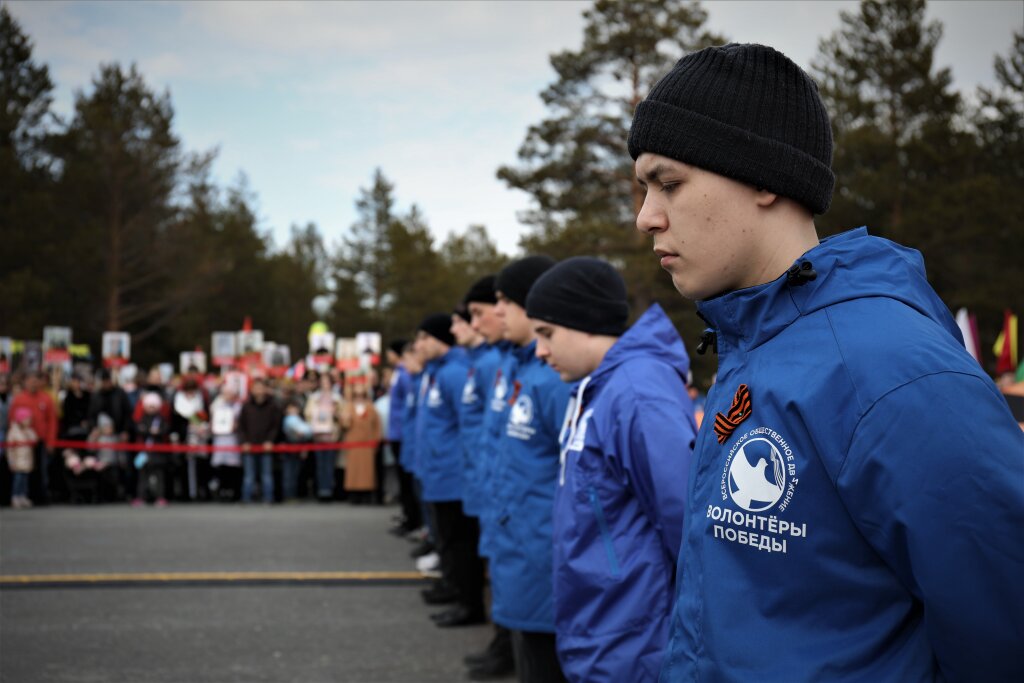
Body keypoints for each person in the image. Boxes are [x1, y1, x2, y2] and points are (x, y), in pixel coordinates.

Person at [628, 42, 1024, 681]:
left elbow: (1003, 628)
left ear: (764, 178)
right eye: (644, 188)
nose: (646, 217)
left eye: (668, 183)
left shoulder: (891, 371)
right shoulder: (753, 344)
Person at [526, 257, 696, 681]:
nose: (539, 351)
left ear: (584, 320)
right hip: (604, 625)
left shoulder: (637, 393)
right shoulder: (601, 388)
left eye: (546, 333)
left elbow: (688, 528)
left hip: (635, 638)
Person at [489, 256, 572, 682]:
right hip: (520, 548)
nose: (497, 311)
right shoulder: (523, 369)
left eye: (505, 300)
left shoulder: (555, 379)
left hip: (544, 558)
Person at [458, 275, 517, 681]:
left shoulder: (506, 365)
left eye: (481, 312)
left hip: (517, 504)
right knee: (500, 573)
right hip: (494, 489)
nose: (475, 324)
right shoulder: (501, 363)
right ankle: (503, 643)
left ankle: (507, 647)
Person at [414, 313, 478, 627]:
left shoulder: (454, 373)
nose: (418, 345)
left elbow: (467, 426)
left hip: (452, 475)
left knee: (459, 541)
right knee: (446, 538)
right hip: (438, 472)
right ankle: (453, 587)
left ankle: (468, 602)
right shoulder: (437, 372)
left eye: (424, 338)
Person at [8, 371, 57, 505]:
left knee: (41, 469)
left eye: (35, 381)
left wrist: (51, 441)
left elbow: (52, 421)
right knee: (22, 470)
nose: (33, 384)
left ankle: (40, 496)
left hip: (41, 440)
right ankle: (21, 494)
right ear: (25, 382)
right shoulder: (19, 399)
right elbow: (12, 420)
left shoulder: (46, 399)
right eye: (30, 381)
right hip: (23, 442)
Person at [238, 376, 282, 505]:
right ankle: (246, 498)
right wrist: (244, 442)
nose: (258, 390)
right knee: (249, 475)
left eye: (261, 387)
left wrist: (270, 441)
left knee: (266, 475)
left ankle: (268, 498)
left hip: (266, 446)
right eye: (256, 387)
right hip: (249, 446)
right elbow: (241, 426)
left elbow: (275, 426)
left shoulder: (273, 406)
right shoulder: (246, 406)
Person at [341, 375, 380, 503]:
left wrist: (375, 440)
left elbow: (377, 425)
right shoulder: (349, 407)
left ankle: (366, 494)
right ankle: (354, 494)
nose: (359, 397)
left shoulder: (371, 408)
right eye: (356, 395)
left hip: (367, 443)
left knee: (366, 471)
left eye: (361, 395)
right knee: (353, 470)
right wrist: (345, 418)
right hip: (353, 443)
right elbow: (344, 425)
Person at [305, 372, 343, 501]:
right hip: (318, 434)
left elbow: (341, 417)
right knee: (320, 464)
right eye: (322, 381)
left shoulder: (337, 398)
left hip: (331, 435)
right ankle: (321, 490)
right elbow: (308, 414)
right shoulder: (314, 397)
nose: (324, 384)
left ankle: (329, 490)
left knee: (330, 464)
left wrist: (335, 412)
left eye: (327, 381)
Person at [133, 392, 170, 507]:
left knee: (159, 476)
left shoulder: (161, 419)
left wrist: (153, 432)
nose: (151, 408)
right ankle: (141, 497)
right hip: (144, 452)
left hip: (158, 452)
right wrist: (151, 431)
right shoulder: (142, 418)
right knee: (142, 476)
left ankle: (160, 497)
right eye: (149, 406)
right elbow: (139, 430)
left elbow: (165, 430)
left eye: (153, 406)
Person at [6, 407, 37, 508]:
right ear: (20, 420)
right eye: (26, 419)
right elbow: (9, 450)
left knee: (25, 480)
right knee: (18, 480)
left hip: (27, 461)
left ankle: (23, 496)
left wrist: (28, 432)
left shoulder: (29, 431)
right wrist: (11, 462)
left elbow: (35, 439)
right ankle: (15, 496)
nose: (29, 421)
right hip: (17, 461)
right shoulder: (13, 432)